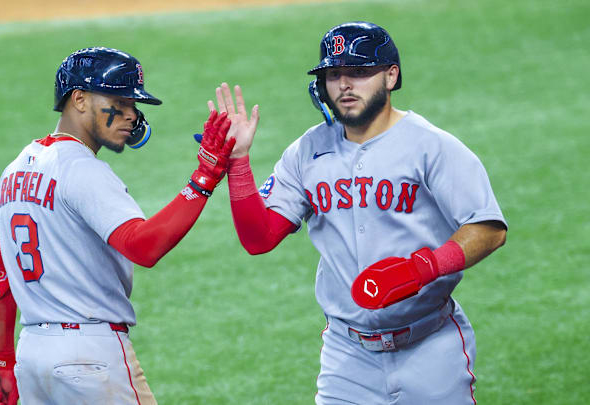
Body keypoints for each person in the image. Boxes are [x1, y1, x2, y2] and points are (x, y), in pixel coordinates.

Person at [213, 22, 507, 404]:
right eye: (334, 74)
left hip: (431, 348)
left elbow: (488, 228)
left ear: (390, 76)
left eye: (359, 72)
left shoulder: (431, 146)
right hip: (347, 357)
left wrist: (422, 268)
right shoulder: (307, 151)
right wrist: (238, 163)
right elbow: (259, 239)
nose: (345, 85)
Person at [0, 47, 235, 405]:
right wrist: (204, 179)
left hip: (32, 357)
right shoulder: (82, 169)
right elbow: (143, 247)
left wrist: (1, 360)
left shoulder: (13, 172)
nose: (131, 116)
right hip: (91, 359)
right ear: (79, 99)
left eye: (133, 105)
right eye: (120, 102)